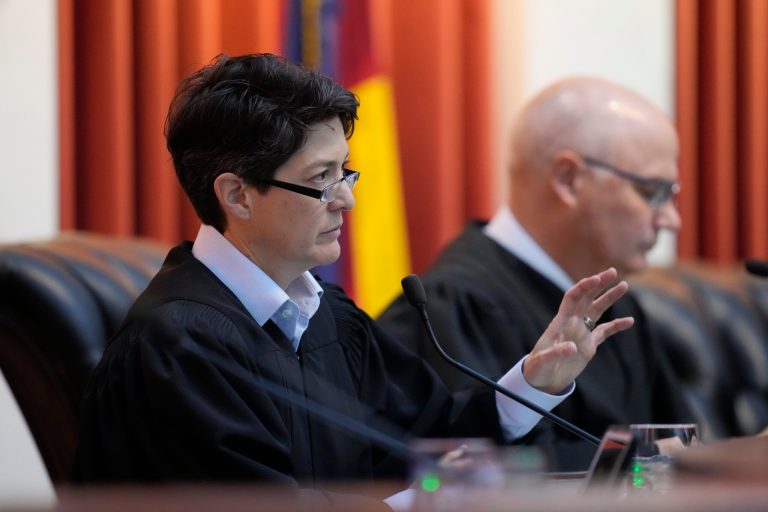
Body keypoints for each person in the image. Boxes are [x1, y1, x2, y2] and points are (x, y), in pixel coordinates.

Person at [74, 55, 632, 502]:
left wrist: (536, 379)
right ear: (237, 195)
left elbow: (432, 436)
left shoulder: (327, 316)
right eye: (322, 179)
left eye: (346, 171)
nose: (348, 199)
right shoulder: (178, 345)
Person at [379, 76, 692, 472]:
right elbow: (477, 478)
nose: (671, 220)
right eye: (652, 192)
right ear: (568, 179)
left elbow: (672, 457)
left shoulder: (618, 304)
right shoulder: (450, 307)